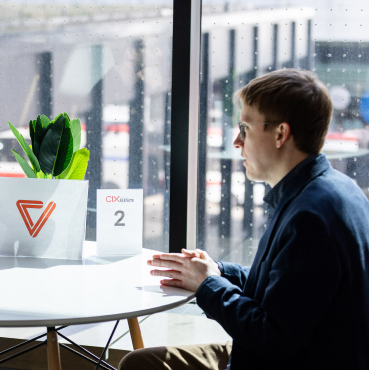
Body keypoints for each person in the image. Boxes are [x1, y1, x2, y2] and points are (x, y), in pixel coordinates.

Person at [120, 69, 369, 370]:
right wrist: (218, 270)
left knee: (140, 366)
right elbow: (286, 285)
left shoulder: (309, 218)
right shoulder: (335, 190)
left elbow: (273, 337)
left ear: (280, 134)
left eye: (245, 128)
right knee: (142, 361)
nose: (237, 141)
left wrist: (208, 285)